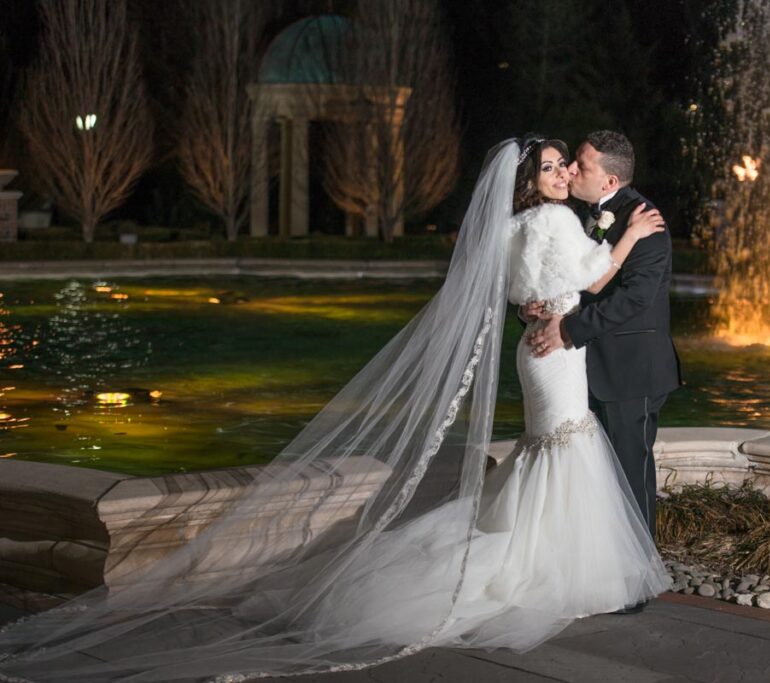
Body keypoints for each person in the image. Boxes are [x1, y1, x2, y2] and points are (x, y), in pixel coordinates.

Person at [0, 137, 670, 683]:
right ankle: (555, 566)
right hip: (558, 352)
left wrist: (537, 306)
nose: (562, 173)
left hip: (536, 345)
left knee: (544, 448)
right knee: (564, 444)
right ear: (533, 180)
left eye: (565, 165)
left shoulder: (515, 224)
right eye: (552, 166)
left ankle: (547, 551)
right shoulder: (553, 218)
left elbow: (517, 286)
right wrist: (631, 237)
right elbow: (589, 278)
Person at [526, 132, 681, 615]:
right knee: (595, 473)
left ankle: (634, 582)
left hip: (630, 368)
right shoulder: (573, 213)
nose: (571, 170)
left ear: (610, 179)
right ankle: (589, 567)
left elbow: (632, 301)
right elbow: (565, 277)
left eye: (582, 165)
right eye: (571, 162)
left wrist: (568, 328)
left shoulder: (646, 223)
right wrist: (538, 308)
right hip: (582, 367)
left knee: (629, 472)